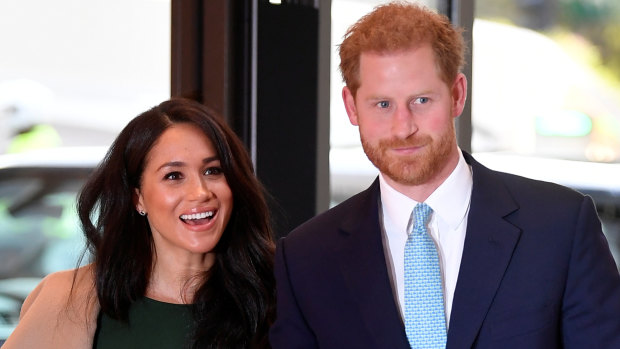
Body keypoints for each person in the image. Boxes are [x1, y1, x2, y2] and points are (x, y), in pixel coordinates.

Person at [269, 2, 620, 348]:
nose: (403, 128)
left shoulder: (560, 227)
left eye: (421, 101)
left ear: (456, 95)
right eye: (382, 104)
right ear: (351, 106)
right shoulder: (306, 259)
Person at [4, 97, 276, 348]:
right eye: (173, 176)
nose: (201, 192)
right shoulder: (68, 299)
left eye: (213, 171)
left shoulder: (277, 293)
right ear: (138, 198)